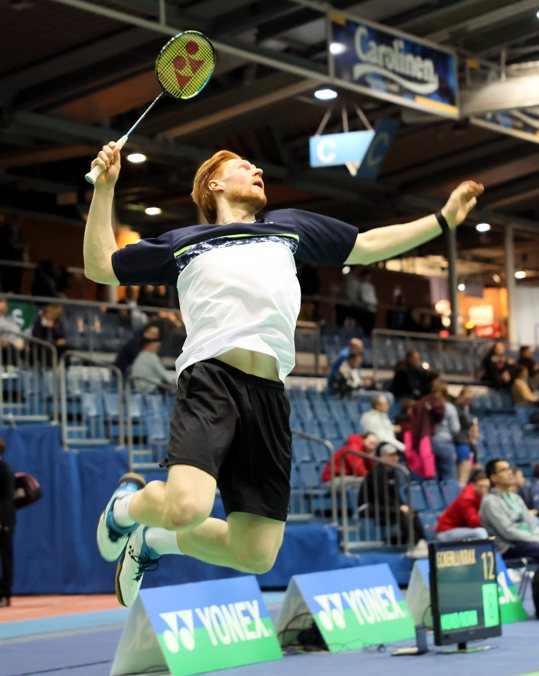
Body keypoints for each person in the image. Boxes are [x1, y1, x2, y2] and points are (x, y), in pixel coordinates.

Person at [84, 140, 483, 607]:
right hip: (212, 378)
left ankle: (152, 542)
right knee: (187, 507)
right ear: (214, 184)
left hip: (270, 393)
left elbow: (368, 244)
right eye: (243, 166)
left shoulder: (288, 228)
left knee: (256, 553)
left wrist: (442, 220)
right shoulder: (184, 242)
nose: (257, 170)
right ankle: (127, 507)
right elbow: (100, 267)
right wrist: (105, 190)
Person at [480, 458, 539, 618]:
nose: (510, 472)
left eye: (509, 469)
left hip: (528, 542)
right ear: (493, 477)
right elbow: (508, 532)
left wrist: (535, 537)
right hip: (507, 547)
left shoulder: (515, 498)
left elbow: (532, 523)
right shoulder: (489, 502)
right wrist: (534, 539)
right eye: (504, 470)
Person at [358, 443, 427, 557]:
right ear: (382, 457)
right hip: (367, 506)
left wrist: (404, 507)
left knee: (411, 512)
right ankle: (414, 544)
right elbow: (381, 497)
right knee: (399, 512)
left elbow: (395, 496)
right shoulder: (376, 473)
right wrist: (399, 508)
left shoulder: (393, 473)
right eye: (390, 455)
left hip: (382, 506)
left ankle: (421, 541)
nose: (394, 458)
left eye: (395, 455)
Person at [436, 470, 489, 542]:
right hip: (446, 532)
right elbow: (474, 523)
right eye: (481, 487)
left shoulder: (481, 496)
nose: (484, 490)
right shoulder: (466, 498)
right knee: (481, 533)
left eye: (486, 487)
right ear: (474, 485)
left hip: (462, 529)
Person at [131, 326, 175, 393]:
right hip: (150, 388)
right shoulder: (151, 356)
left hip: (141, 386)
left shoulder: (141, 355)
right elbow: (163, 374)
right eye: (156, 347)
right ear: (148, 346)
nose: (157, 349)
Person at [0, 437, 15, 607]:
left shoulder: (5, 470)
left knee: (6, 557)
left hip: (5, 521)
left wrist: (3, 522)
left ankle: (6, 594)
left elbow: (7, 499)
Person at [453, 387, 476, 485]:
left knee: (464, 475)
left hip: (464, 442)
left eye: (470, 400)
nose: (468, 402)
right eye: (467, 399)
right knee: (461, 476)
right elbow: (468, 422)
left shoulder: (465, 409)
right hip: (459, 443)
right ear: (460, 396)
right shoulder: (455, 408)